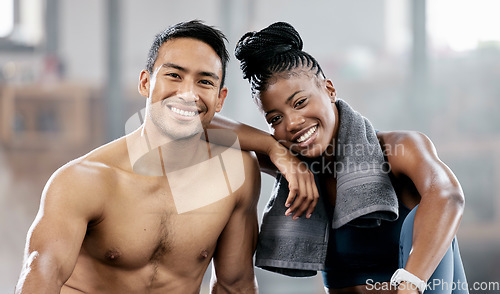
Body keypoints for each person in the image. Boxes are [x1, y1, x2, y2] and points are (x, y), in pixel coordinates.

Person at [212, 22, 468, 294]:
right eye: (275, 118)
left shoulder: (397, 149)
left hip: (420, 289)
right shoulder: (291, 162)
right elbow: (193, 124)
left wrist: (410, 283)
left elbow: (447, 195)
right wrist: (276, 151)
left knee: (421, 217)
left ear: (330, 90)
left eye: (300, 103)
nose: (293, 123)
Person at [15, 20, 262, 294]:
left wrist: (278, 151)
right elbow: (41, 276)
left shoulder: (236, 174)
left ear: (220, 98)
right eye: (174, 76)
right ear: (145, 83)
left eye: (204, 81)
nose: (188, 94)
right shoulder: (81, 182)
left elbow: (235, 286)